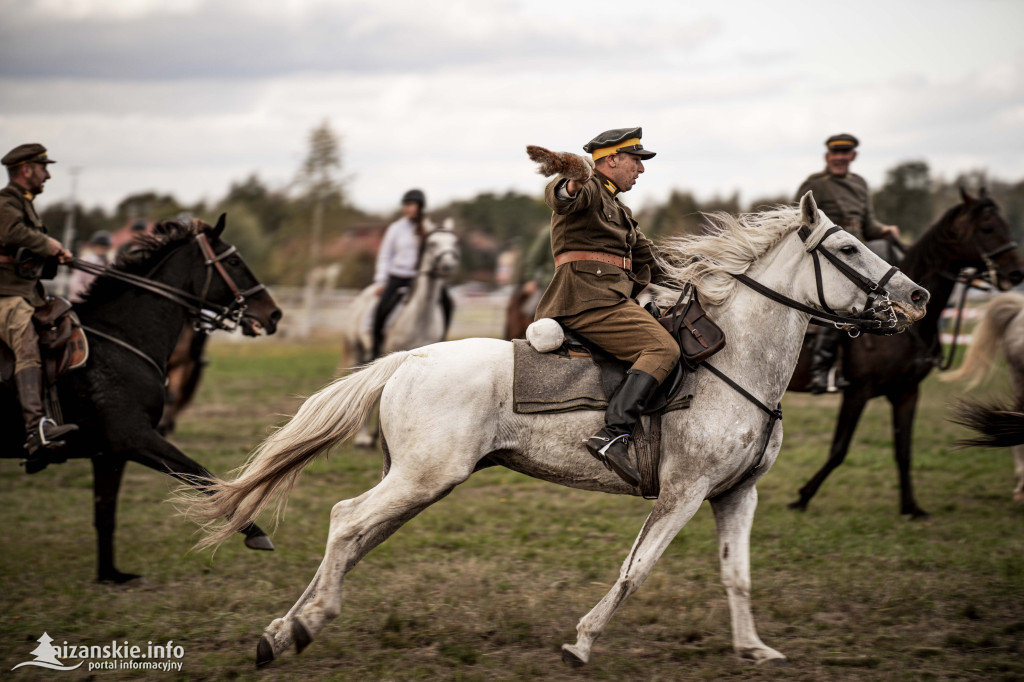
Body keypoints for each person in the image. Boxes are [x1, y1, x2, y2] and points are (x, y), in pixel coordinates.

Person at [535, 127, 680, 487]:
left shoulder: (619, 208)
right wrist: (572, 179)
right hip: (587, 300)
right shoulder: (591, 191)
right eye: (636, 161)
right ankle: (613, 433)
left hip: (608, 299)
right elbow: (563, 198)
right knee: (661, 348)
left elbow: (655, 261)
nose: (641, 169)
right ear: (612, 159)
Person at [796, 133, 901, 394]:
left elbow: (868, 225)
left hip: (859, 259)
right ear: (828, 156)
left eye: (846, 153)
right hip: (831, 258)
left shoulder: (861, 184)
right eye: (836, 153)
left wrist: (885, 229)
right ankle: (821, 372)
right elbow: (798, 221)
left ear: (852, 156)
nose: (840, 158)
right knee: (844, 308)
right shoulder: (815, 185)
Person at [0, 143, 78, 459]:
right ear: (26, 169)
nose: (47, 174)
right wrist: (48, 243)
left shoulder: (25, 203)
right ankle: (36, 429)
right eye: (43, 167)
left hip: (26, 293)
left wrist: (54, 253)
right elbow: (12, 232)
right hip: (5, 296)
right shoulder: (6, 203)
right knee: (27, 344)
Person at [370, 189, 452, 359]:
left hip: (421, 278)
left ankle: (441, 340)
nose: (406, 209)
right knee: (382, 308)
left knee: (448, 303)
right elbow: (386, 255)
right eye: (405, 205)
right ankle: (375, 350)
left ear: (419, 206)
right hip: (399, 276)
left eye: (410, 205)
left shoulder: (429, 228)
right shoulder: (396, 229)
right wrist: (381, 281)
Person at [68, 230, 112, 302]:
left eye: (104, 247)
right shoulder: (84, 261)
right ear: (94, 246)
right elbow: (75, 282)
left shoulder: (108, 264)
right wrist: (87, 295)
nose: (102, 249)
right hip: (84, 299)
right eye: (100, 246)